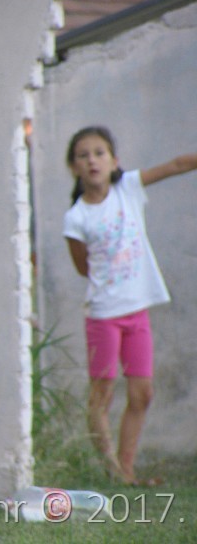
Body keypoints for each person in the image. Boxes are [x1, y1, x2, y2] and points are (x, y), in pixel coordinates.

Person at [63, 125, 197, 485]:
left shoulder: (129, 188)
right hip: (103, 316)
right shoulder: (76, 217)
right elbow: (83, 267)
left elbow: (176, 165)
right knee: (102, 394)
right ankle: (112, 469)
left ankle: (127, 468)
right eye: (83, 155)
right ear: (73, 167)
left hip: (137, 312)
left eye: (99, 153)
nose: (92, 161)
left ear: (114, 160)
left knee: (142, 393)